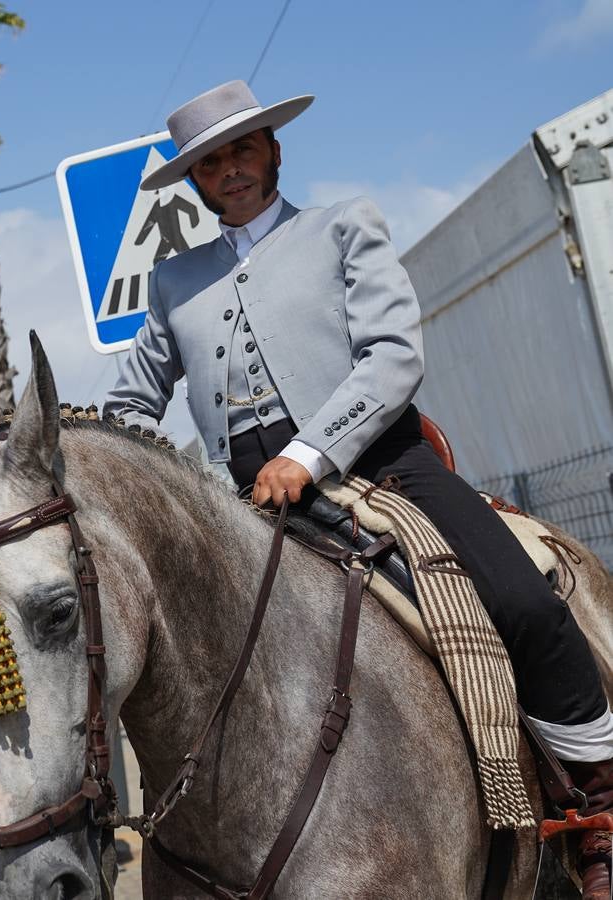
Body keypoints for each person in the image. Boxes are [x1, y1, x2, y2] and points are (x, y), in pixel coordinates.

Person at [104, 79, 613, 897]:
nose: (230, 170)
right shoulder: (173, 283)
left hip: (384, 465)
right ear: (193, 182)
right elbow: (130, 404)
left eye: (242, 149)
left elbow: (392, 357)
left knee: (525, 603)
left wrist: (307, 456)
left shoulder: (343, 226)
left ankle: (594, 810)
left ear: (274, 149)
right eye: (210, 163)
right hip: (249, 502)